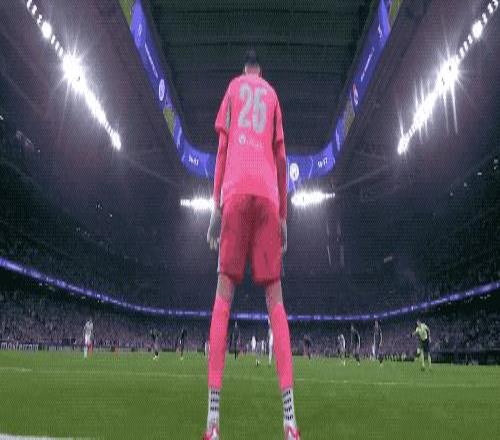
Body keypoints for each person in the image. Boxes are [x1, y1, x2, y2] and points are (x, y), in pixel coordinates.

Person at [204, 49, 299, 439]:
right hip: (268, 197)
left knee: (223, 297)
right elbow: (282, 159)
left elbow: (222, 150)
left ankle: (212, 422)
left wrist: (215, 207)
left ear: (244, 70)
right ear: (261, 71)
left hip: (236, 191)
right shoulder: (272, 95)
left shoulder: (232, 88)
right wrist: (283, 216)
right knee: (276, 303)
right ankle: (290, 422)